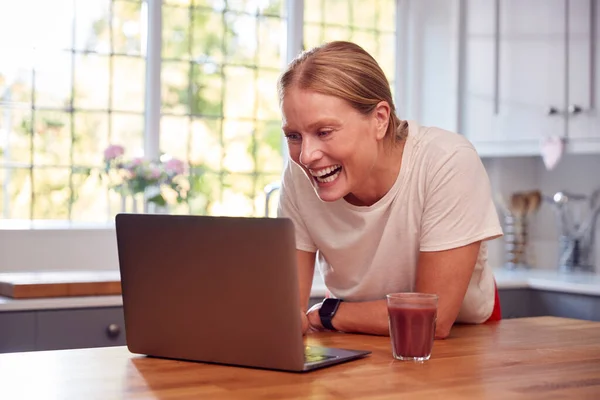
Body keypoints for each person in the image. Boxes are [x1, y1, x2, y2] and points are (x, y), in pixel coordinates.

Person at [276, 41, 503, 339]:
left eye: (324, 132)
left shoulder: (446, 161)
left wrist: (331, 313)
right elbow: (286, 313)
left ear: (380, 120)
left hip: (463, 339)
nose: (306, 156)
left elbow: (431, 319)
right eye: (294, 136)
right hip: (356, 334)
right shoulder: (299, 178)